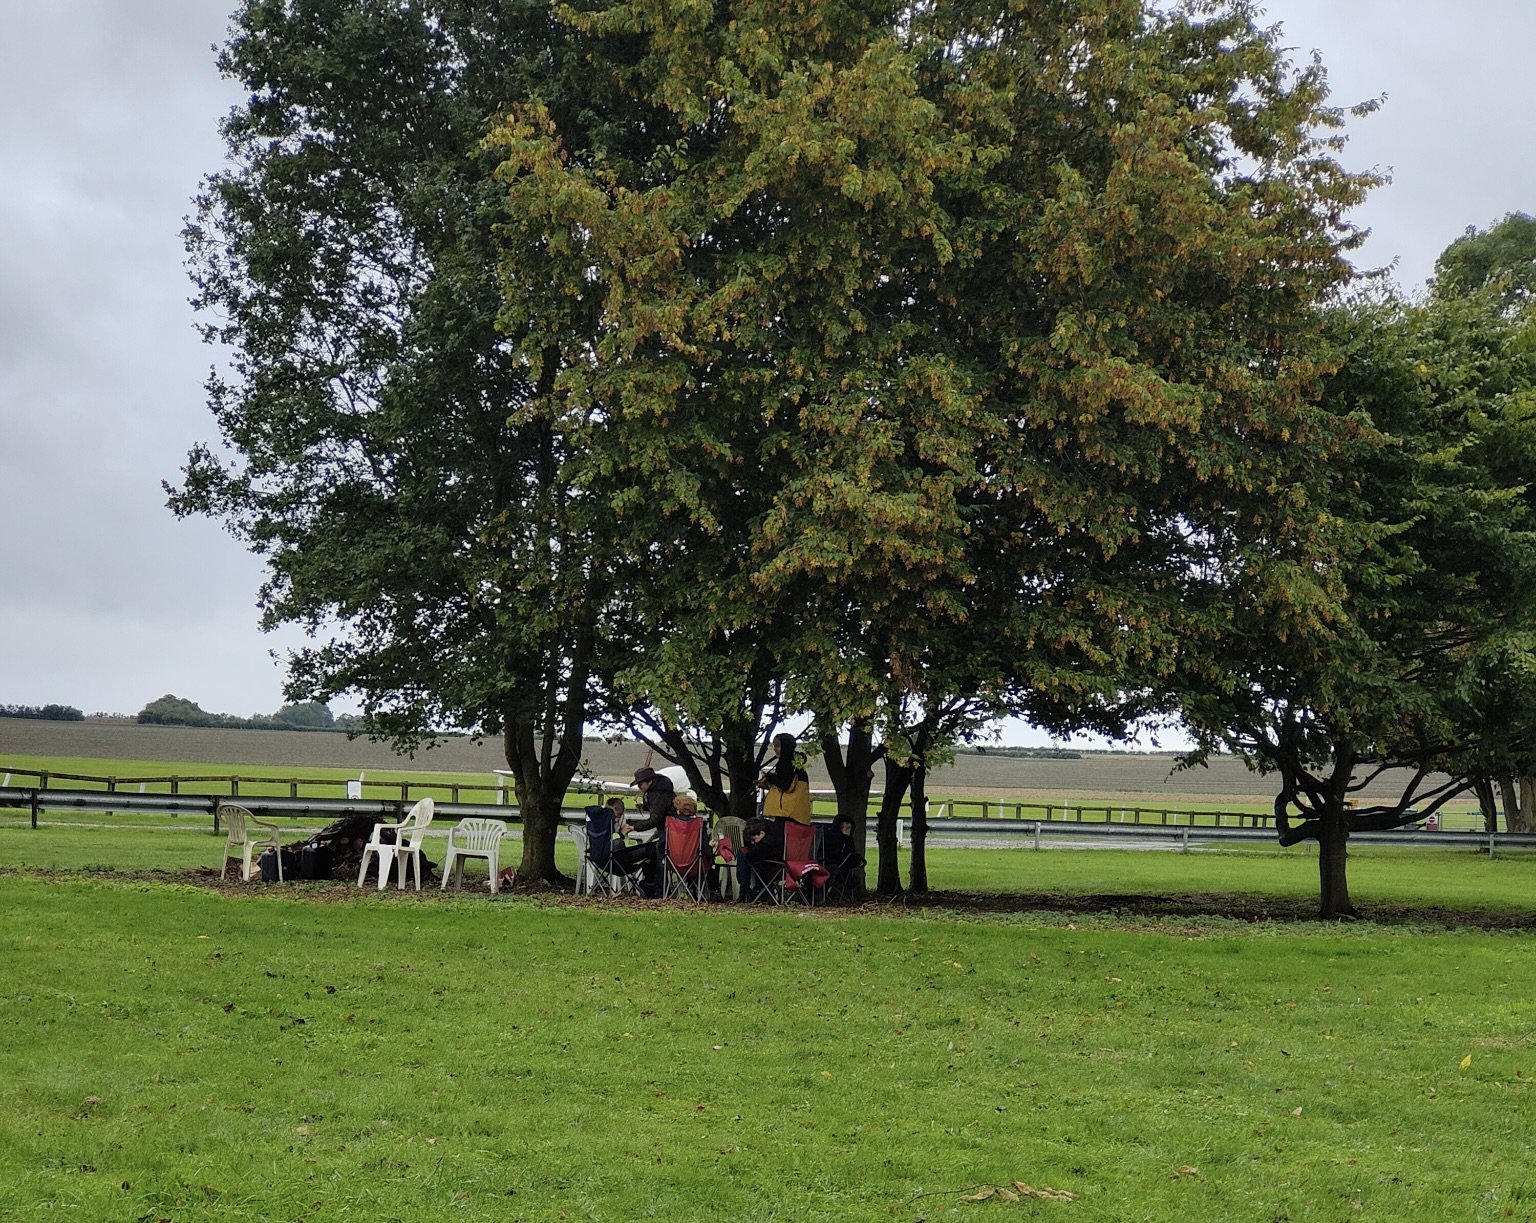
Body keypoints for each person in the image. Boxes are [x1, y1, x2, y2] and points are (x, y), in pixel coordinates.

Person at [621, 767, 676, 896]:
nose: (639, 787)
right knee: (657, 855)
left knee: (660, 857)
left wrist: (634, 827)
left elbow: (655, 819)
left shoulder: (655, 794)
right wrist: (646, 806)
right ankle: (655, 886)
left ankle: (660, 890)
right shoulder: (664, 791)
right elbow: (661, 808)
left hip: (667, 831)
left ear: (650, 781)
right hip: (673, 830)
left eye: (641, 784)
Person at [758, 733, 812, 826]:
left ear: (786, 747)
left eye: (778, 746)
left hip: (789, 814)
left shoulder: (787, 764)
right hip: (792, 814)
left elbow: (785, 785)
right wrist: (768, 785)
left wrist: (769, 777)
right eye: (774, 746)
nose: (775, 749)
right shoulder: (796, 764)